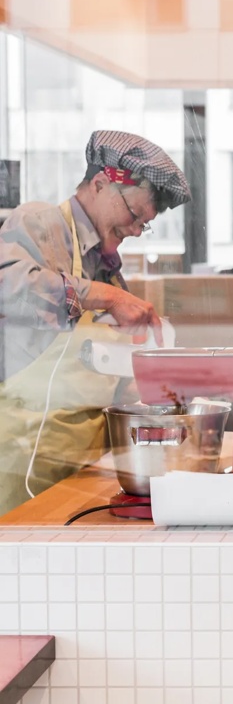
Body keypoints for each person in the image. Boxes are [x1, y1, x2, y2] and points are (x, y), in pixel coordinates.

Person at [0, 130, 191, 513]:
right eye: (135, 215)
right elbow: (6, 285)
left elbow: (102, 370)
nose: (136, 230)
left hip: (80, 467)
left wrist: (157, 400)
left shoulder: (105, 267)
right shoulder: (40, 224)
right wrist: (105, 296)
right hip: (20, 459)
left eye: (144, 224)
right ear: (102, 183)